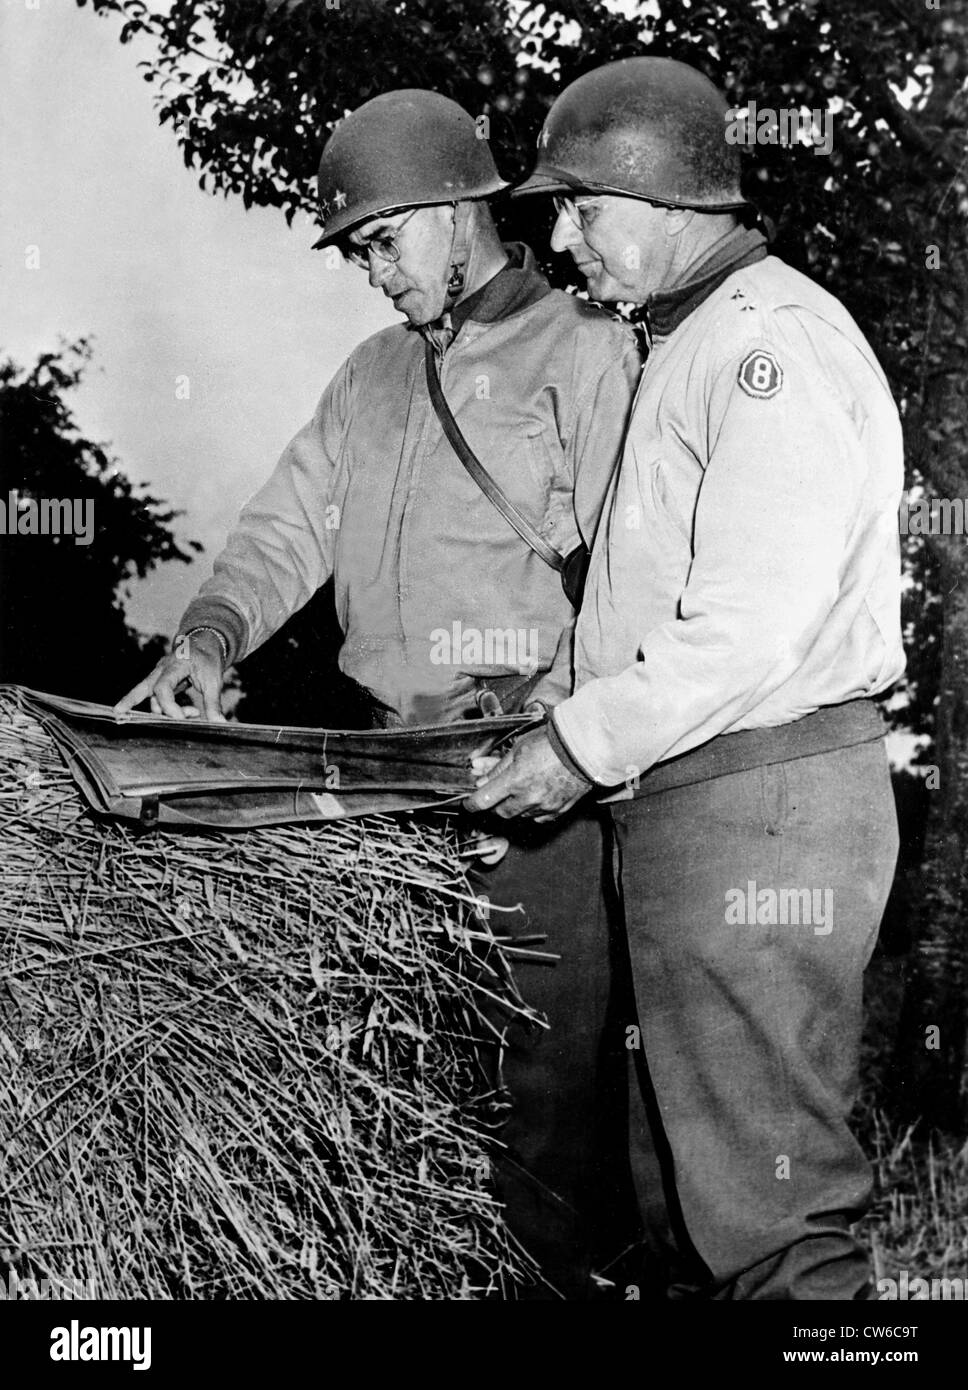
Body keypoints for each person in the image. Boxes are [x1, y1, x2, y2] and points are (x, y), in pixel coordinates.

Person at [116, 89, 642, 1299]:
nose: (367, 273)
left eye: (378, 242)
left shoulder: (588, 352)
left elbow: (634, 574)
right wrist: (207, 634)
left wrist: (556, 705)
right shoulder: (368, 377)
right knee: (402, 1092)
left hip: (535, 784)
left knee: (546, 1109)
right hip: (383, 785)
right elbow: (284, 526)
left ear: (456, 215)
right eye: (353, 251)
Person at [467, 57, 905, 1301]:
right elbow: (652, 609)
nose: (559, 240)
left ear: (658, 202)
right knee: (680, 1209)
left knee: (768, 1222)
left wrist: (570, 745)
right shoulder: (691, 342)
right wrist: (557, 706)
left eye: (579, 208)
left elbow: (748, 627)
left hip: (753, 804)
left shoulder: (767, 347)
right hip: (693, 800)